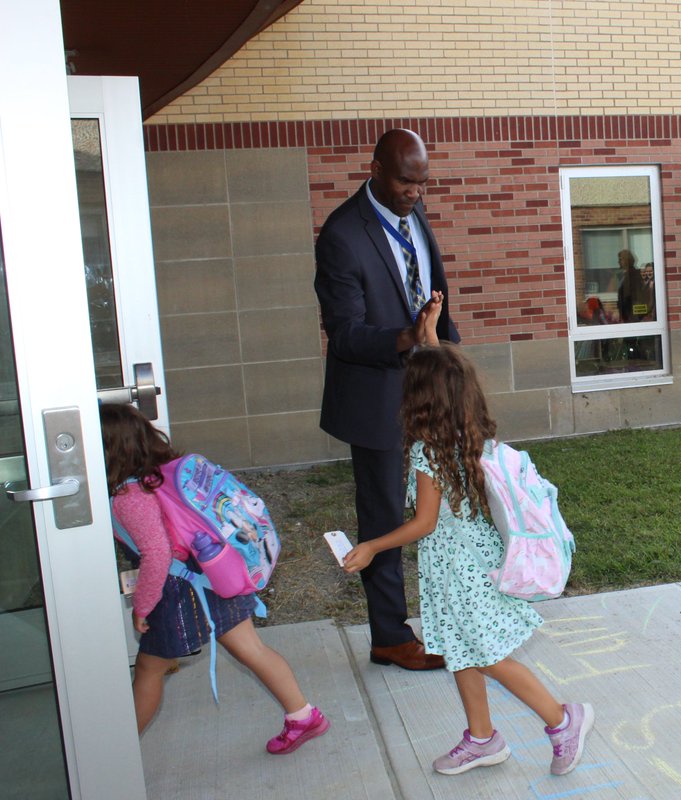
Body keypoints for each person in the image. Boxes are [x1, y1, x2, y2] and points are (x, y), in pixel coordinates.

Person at [341, 343, 595, 777]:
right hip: (473, 562)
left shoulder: (427, 452)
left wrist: (371, 547)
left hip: (462, 571)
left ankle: (562, 719)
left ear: (419, 399)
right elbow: (444, 366)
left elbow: (423, 523)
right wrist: (430, 335)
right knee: (461, 651)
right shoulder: (469, 434)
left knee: (486, 656)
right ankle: (482, 737)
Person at [100, 403, 329, 754]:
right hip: (212, 575)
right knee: (251, 648)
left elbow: (157, 555)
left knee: (148, 669)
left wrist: (142, 607)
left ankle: (115, 759)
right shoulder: (160, 473)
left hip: (180, 591)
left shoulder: (129, 496)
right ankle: (303, 716)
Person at [315, 128, 459, 671]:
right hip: (376, 400)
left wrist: (449, 361)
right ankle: (390, 637)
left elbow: (435, 302)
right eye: (405, 181)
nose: (414, 194)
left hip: (431, 389)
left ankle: (449, 618)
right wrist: (406, 336)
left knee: (442, 508)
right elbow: (345, 333)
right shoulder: (342, 235)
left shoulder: (413, 214)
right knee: (383, 518)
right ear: (374, 168)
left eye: (422, 184)